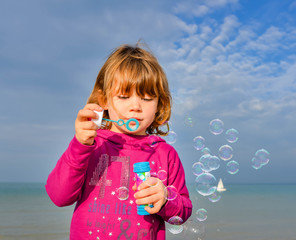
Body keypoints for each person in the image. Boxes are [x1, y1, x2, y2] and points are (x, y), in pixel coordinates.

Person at [46, 44, 192, 240]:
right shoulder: (91, 145)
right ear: (104, 100)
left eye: (147, 98)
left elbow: (183, 211)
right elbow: (59, 196)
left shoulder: (165, 154)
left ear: (159, 105)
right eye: (124, 96)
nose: (135, 106)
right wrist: (80, 145)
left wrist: (165, 199)